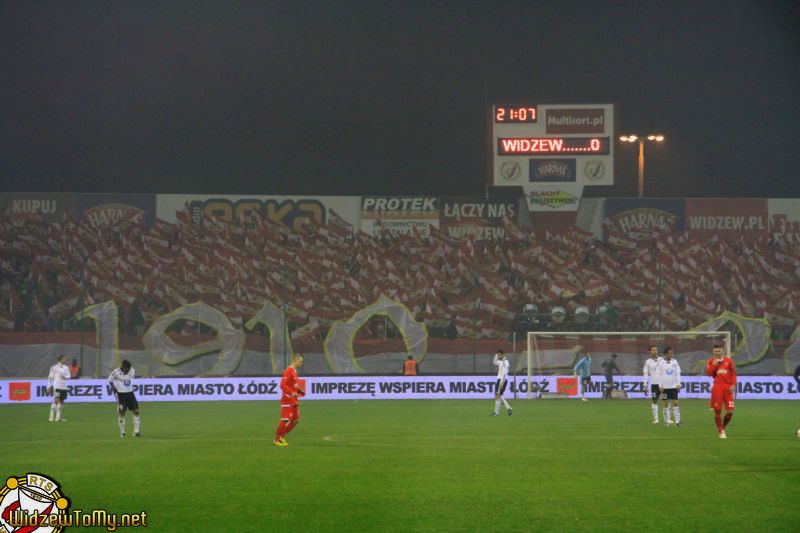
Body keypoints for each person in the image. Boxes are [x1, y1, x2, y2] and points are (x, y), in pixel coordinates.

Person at [706, 344, 736, 439]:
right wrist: (713, 366)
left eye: (718, 351)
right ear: (713, 352)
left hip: (728, 388)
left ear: (722, 351)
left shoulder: (728, 361)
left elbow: (733, 374)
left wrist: (733, 384)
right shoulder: (711, 361)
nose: (717, 353)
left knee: (730, 411)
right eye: (715, 351)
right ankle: (721, 431)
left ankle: (722, 428)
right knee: (717, 412)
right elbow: (709, 374)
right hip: (717, 388)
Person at [274, 354, 305, 446]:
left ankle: (281, 437)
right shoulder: (289, 370)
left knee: (296, 420)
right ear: (295, 360)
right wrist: (291, 392)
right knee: (285, 419)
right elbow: (282, 385)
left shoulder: (294, 371)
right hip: (287, 399)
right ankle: (276, 440)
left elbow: (292, 385)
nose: (301, 364)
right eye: (300, 362)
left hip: (294, 400)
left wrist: (299, 391)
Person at [108, 359, 141, 437]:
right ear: (123, 367)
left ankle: (136, 431)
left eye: (129, 369)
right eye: (127, 369)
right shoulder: (116, 372)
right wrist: (113, 388)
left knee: (136, 411)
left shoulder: (132, 370)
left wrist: (123, 375)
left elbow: (127, 378)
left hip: (130, 393)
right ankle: (122, 432)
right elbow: (109, 379)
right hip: (121, 395)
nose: (128, 370)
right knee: (122, 413)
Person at [658, 347, 682, 427]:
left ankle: (677, 422)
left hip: (673, 386)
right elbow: (659, 375)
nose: (671, 355)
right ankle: (666, 421)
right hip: (664, 387)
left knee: (675, 403)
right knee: (665, 404)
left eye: (672, 353)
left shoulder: (675, 362)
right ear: (665, 353)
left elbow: (677, 373)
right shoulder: (661, 363)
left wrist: (678, 384)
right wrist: (660, 385)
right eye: (669, 353)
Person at [642, 345, 663, 423]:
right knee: (654, 400)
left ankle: (668, 418)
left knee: (666, 399)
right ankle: (656, 419)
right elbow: (645, 373)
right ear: (650, 351)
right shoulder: (648, 362)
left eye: (656, 350)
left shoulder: (662, 360)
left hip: (663, 384)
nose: (655, 351)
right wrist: (645, 384)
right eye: (653, 350)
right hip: (654, 384)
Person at [47, 354, 70, 422]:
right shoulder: (54, 367)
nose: (65, 360)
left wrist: (65, 377)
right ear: (60, 359)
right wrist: (49, 387)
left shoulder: (66, 367)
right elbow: (50, 377)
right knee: (56, 400)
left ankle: (58, 417)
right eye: (64, 358)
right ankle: (51, 417)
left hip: (64, 387)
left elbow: (69, 376)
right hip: (57, 387)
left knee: (62, 401)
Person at [491, 350, 512, 416]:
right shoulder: (500, 361)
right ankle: (508, 408)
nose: (499, 356)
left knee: (497, 396)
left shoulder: (505, 362)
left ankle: (497, 413)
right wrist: (496, 356)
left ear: (503, 355)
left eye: (500, 355)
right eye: (498, 355)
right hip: (499, 379)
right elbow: (494, 362)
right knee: (498, 396)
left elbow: (505, 373)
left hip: (502, 380)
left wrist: (502, 382)